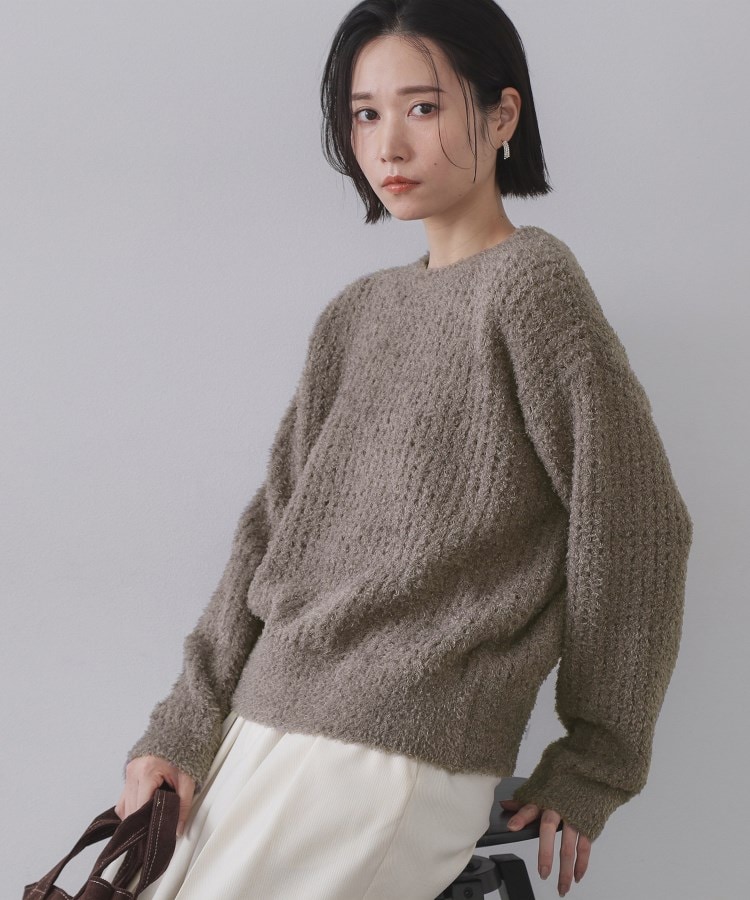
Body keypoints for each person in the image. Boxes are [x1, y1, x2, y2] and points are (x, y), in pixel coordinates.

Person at [109, 1, 694, 898]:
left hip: (396, 751)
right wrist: (183, 724)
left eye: (423, 107)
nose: (387, 145)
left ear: (501, 115)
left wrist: (595, 762)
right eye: (364, 114)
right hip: (262, 724)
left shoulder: (530, 287)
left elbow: (638, 527)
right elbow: (270, 533)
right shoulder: (358, 313)